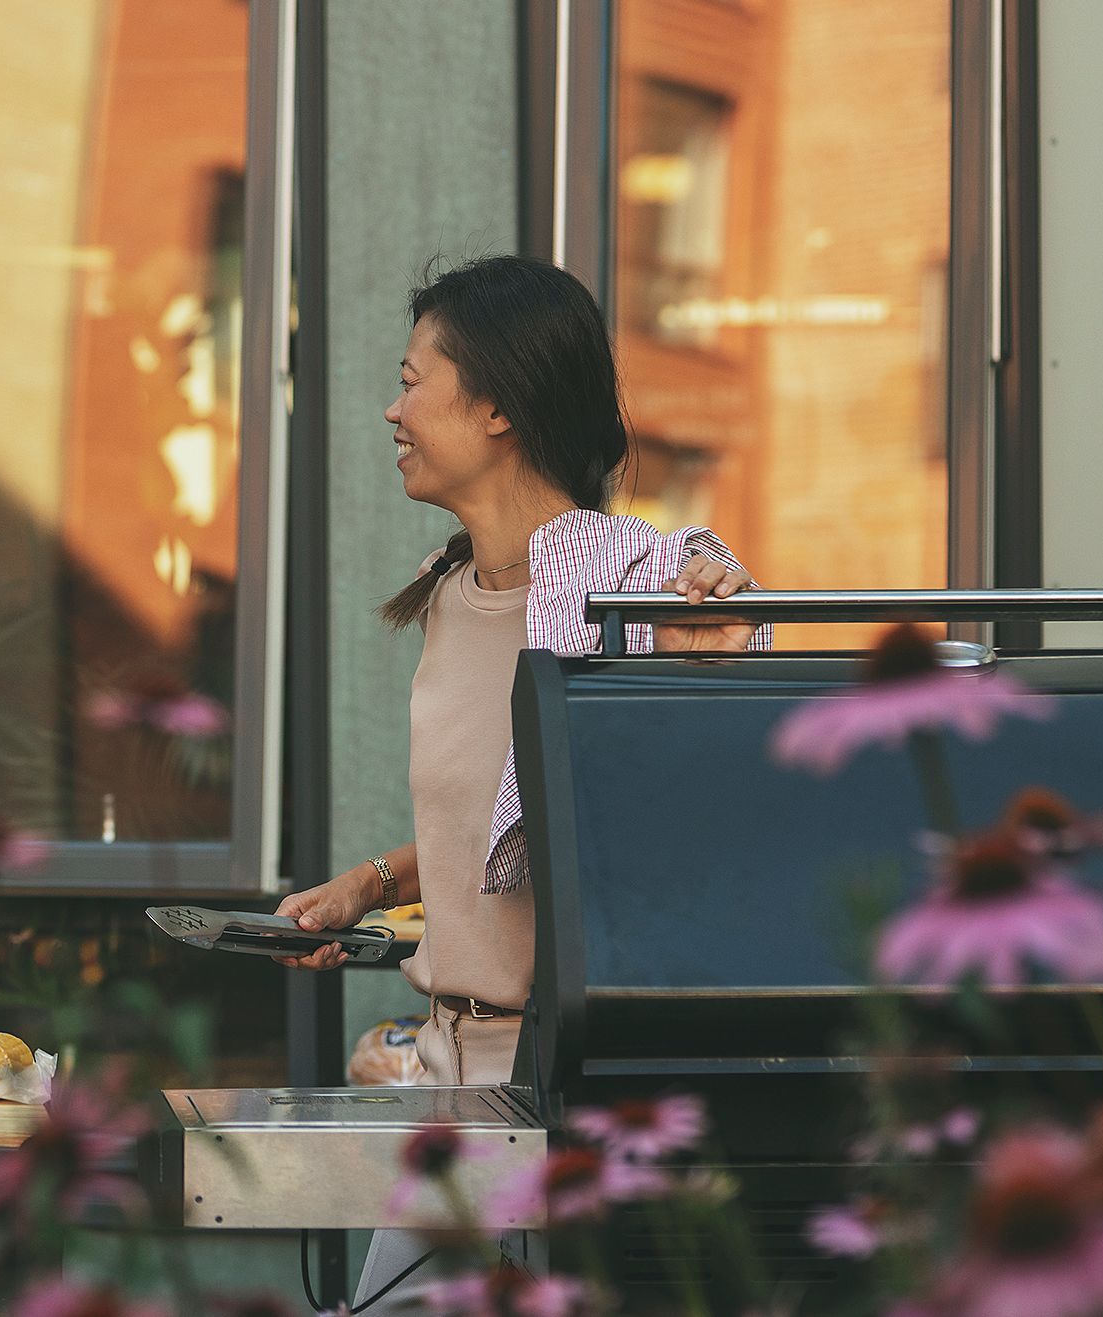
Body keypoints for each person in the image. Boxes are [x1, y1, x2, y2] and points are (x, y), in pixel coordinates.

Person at [271, 256, 764, 1306]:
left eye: (411, 379)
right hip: (450, 1077)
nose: (390, 409)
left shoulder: (629, 594)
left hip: (559, 1094)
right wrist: (372, 881)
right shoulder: (450, 596)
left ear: (493, 403)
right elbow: (512, 817)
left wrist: (711, 629)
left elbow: (692, 785)